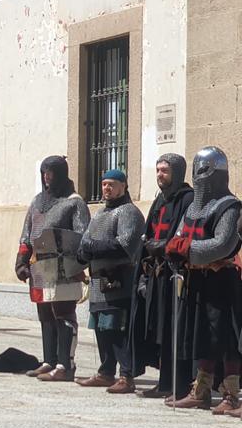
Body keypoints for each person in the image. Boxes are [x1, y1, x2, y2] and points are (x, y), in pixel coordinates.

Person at [164, 146, 242, 413]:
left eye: (203, 169)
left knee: (227, 338)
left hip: (222, 279)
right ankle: (201, 390)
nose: (199, 174)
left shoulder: (229, 206)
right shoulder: (193, 208)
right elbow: (177, 236)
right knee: (202, 337)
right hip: (196, 279)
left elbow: (223, 244)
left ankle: (231, 393)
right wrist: (175, 248)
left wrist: (187, 249)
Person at [15, 156, 90, 382]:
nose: (47, 177)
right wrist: (20, 260)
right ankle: (49, 360)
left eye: (51, 172)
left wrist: (77, 264)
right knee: (45, 314)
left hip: (63, 266)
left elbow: (82, 236)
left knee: (64, 313)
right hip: (39, 265)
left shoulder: (74, 202)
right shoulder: (38, 201)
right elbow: (27, 234)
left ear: (61, 173)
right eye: (44, 172)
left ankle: (65, 365)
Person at [130, 154, 195, 400]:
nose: (160, 174)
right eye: (158, 170)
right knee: (159, 330)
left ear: (177, 172)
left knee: (174, 330)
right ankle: (164, 381)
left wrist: (162, 246)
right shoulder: (159, 200)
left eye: (165, 170)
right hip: (156, 274)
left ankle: (179, 384)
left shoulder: (187, 199)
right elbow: (148, 234)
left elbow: (182, 233)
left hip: (175, 275)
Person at [76, 170, 145, 392]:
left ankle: (126, 376)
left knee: (118, 328)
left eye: (111, 184)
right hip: (97, 281)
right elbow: (84, 244)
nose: (106, 188)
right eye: (104, 184)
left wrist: (92, 248)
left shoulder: (129, 213)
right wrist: (84, 253)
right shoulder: (99, 215)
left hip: (119, 279)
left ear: (123, 186)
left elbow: (124, 245)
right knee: (102, 328)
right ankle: (106, 372)